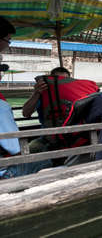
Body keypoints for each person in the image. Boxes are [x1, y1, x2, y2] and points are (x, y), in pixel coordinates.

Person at [0, 16, 51, 179]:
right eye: (8, 41)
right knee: (47, 162)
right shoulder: (1, 105)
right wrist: (37, 94)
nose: (8, 46)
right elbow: (15, 146)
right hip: (6, 168)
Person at [23, 67, 99, 154]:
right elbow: (26, 113)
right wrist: (36, 93)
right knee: (28, 152)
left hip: (75, 137)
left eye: (64, 80)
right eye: (57, 80)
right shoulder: (43, 95)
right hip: (48, 138)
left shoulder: (79, 96)